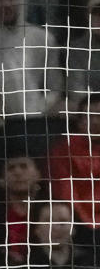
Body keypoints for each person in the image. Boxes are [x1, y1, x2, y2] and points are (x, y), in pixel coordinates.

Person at [48, 94, 100, 237]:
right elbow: (66, 192)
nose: (94, 122)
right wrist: (90, 224)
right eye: (88, 117)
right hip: (81, 224)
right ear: (79, 122)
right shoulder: (64, 149)